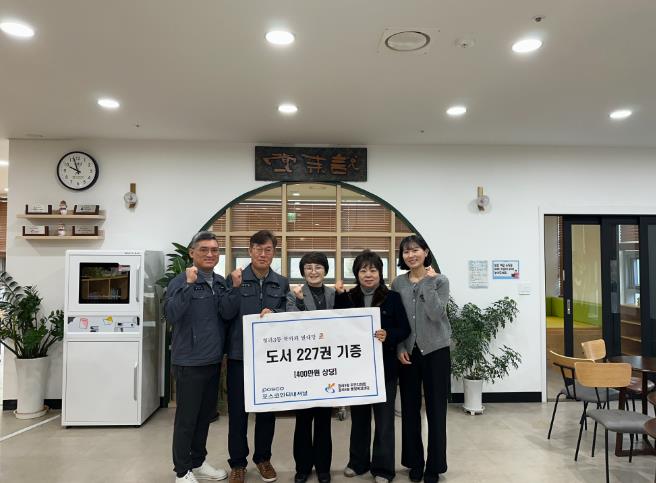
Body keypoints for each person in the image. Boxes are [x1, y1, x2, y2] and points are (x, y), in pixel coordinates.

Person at [165, 231, 241, 483]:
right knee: (186, 419)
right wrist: (188, 285)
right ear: (192, 253)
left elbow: (227, 314)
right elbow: (171, 314)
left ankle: (197, 462)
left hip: (213, 360)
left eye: (214, 250)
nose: (210, 254)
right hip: (188, 362)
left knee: (204, 417)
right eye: (204, 249)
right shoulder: (180, 281)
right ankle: (181, 471)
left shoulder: (219, 282)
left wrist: (235, 289)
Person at [335, 250, 410, 483]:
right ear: (356, 274)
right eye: (363, 270)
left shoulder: (393, 297)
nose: (368, 275)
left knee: (385, 421)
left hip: (385, 369)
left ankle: (383, 469)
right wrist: (338, 296)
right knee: (359, 420)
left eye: (373, 270)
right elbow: (336, 326)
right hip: (357, 370)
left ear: (380, 273)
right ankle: (357, 463)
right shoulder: (347, 297)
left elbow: (404, 329)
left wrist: (389, 334)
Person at [225, 230, 289, 483]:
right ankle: (237, 463)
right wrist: (235, 288)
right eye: (258, 249)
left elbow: (288, 314)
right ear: (250, 250)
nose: (263, 254)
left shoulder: (281, 282)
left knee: (266, 411)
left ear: (274, 253)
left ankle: (263, 459)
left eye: (268, 250)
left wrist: (276, 313)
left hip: (269, 359)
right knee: (238, 414)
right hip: (239, 356)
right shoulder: (235, 279)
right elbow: (225, 313)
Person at [393, 235, 451, 483]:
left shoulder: (440, 280)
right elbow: (395, 318)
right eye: (406, 252)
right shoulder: (398, 283)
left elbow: (436, 315)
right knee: (409, 408)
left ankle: (434, 466)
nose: (411, 255)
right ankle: (414, 462)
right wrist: (399, 347)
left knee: (436, 409)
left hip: (436, 351)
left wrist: (428, 283)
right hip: (408, 352)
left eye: (415, 250)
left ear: (425, 252)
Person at [286, 252, 336, 483]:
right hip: (303, 365)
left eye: (318, 267)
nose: (313, 271)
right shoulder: (293, 294)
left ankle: (323, 468)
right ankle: (303, 468)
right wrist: (298, 301)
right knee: (303, 420)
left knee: (324, 421)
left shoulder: (334, 294)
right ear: (303, 271)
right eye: (308, 267)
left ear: (325, 270)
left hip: (327, 364)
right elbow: (291, 324)